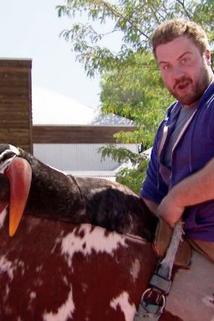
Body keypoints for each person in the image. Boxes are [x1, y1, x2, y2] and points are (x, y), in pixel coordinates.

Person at [141, 18, 214, 262]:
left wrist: (177, 198)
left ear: (207, 56)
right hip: (178, 252)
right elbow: (151, 195)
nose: (177, 74)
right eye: (166, 66)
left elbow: (169, 201)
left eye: (185, 60)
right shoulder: (167, 124)